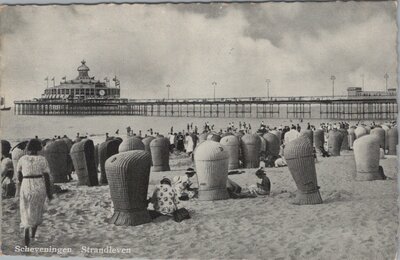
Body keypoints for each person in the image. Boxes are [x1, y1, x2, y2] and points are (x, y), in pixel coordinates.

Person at [17, 139, 53, 246]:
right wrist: (49, 192)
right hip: (38, 185)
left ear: (28, 147)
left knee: (26, 208)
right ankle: (33, 234)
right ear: (39, 148)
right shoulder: (42, 159)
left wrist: (23, 182)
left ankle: (26, 232)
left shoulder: (22, 159)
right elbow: (46, 177)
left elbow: (19, 175)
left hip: (26, 184)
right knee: (37, 208)